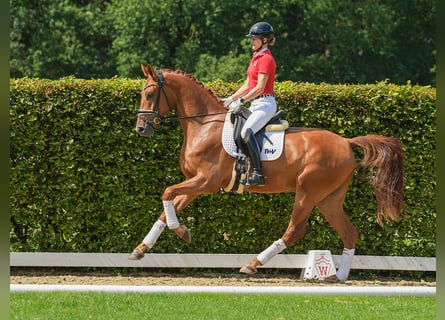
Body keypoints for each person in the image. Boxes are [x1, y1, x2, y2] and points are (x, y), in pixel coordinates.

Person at [223, 21, 277, 187]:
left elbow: (260, 87)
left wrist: (241, 101)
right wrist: (231, 98)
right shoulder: (256, 58)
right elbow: (248, 85)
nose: (251, 41)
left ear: (265, 40)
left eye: (255, 39)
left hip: (265, 104)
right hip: (255, 104)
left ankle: (259, 174)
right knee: (236, 127)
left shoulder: (266, 59)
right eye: (252, 38)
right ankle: (241, 168)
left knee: (247, 131)